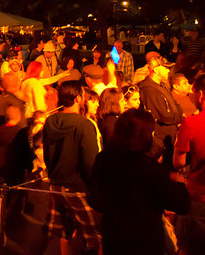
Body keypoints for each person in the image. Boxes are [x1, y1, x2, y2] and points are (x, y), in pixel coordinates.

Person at [91, 108, 190, 255]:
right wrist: (180, 183)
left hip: (114, 238)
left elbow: (95, 199)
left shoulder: (103, 158)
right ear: (143, 136)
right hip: (144, 241)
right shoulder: (150, 168)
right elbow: (181, 205)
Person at [41, 81, 100, 255]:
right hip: (78, 187)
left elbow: (47, 154)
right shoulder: (84, 125)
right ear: (78, 98)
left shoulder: (51, 121)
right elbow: (90, 162)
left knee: (66, 231)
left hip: (56, 185)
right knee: (95, 235)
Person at [173, 74, 205, 254]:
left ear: (200, 95)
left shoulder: (191, 123)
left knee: (188, 245)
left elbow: (178, 162)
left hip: (198, 197)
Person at [138, 57, 183, 168]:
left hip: (167, 144)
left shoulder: (162, 86)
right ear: (156, 70)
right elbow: (163, 115)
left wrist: (178, 114)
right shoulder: (148, 89)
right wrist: (179, 117)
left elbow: (176, 105)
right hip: (158, 146)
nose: (169, 71)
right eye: (166, 68)